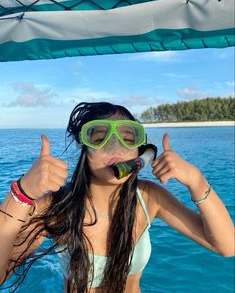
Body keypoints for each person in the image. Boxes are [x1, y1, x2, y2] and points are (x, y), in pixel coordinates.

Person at [0, 101, 234, 293]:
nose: (116, 147)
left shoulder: (148, 197)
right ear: (85, 148)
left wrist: (196, 180)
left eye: (128, 138)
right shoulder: (57, 207)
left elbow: (226, 246)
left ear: (139, 152)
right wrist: (22, 194)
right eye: (100, 136)